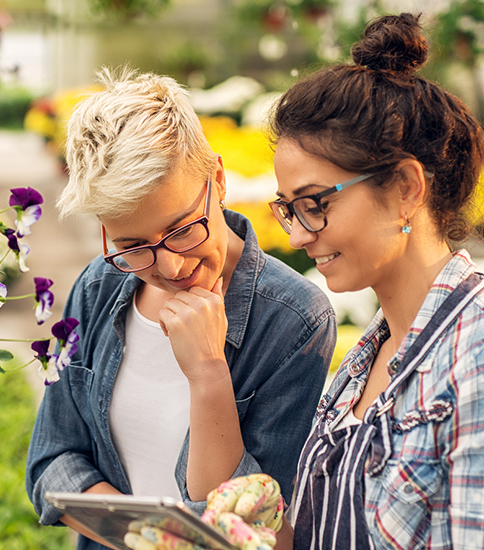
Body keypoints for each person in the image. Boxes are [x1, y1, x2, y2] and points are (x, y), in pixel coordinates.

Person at [128, 13, 484, 550]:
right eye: (287, 209)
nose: (297, 236)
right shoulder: (367, 358)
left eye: (315, 204)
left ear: (407, 187)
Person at [25, 68, 338, 550]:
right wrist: (140, 540)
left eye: (182, 228)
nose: (170, 266)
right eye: (133, 244)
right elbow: (51, 460)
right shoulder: (100, 284)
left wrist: (210, 373)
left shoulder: (293, 320)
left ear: (217, 178)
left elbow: (251, 529)